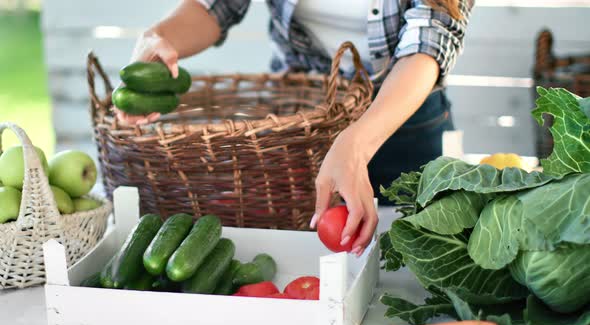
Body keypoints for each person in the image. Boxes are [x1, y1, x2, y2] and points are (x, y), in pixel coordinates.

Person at [117, 0, 474, 257]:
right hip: (301, 128)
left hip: (404, 122)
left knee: (418, 264)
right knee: (298, 263)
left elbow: (428, 44)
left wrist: (356, 142)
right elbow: (214, 7)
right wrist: (159, 38)